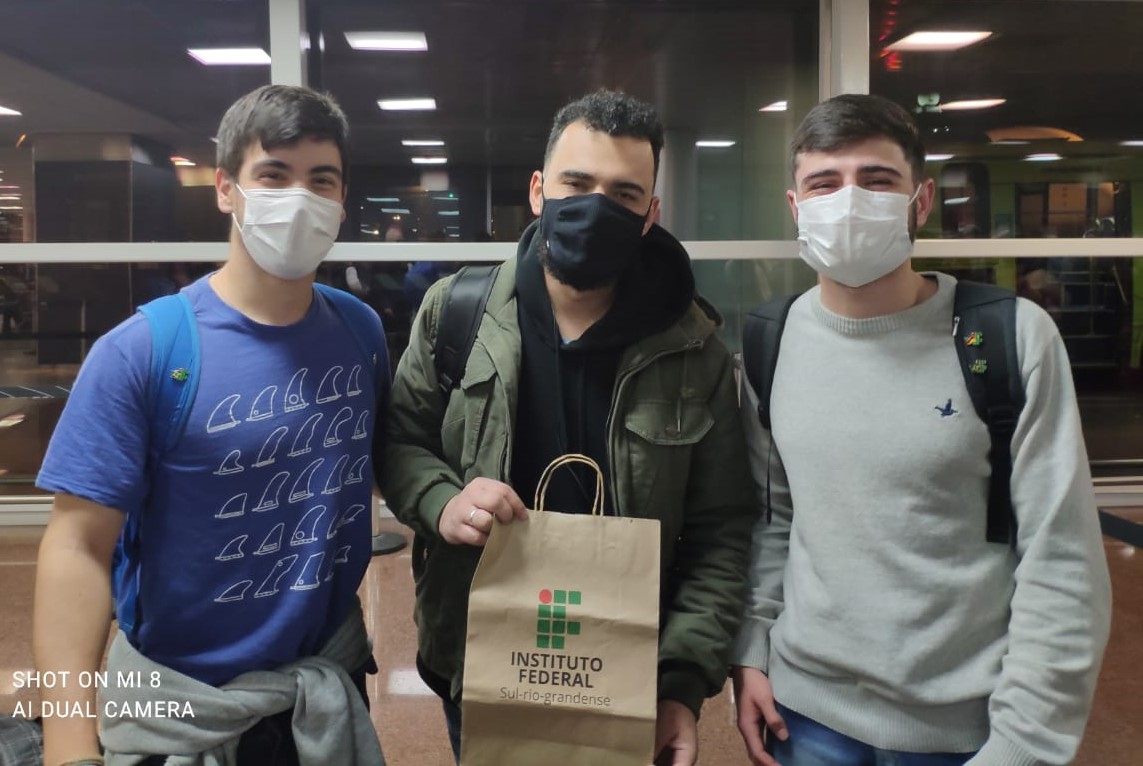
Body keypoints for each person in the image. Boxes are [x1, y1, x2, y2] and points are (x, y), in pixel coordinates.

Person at [731, 93, 1112, 766]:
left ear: (921, 200)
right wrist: (752, 653)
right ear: (795, 206)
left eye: (877, 180)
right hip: (805, 717)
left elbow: (1061, 558)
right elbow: (772, 519)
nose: (849, 201)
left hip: (967, 733)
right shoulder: (772, 339)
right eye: (824, 183)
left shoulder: (1010, 337)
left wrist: (1024, 743)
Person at [379, 89, 755, 765]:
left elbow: (720, 530)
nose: (595, 208)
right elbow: (402, 440)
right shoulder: (457, 313)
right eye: (576, 185)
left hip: (632, 672)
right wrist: (444, 501)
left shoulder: (691, 348)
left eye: (623, 194)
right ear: (538, 191)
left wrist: (680, 682)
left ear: (650, 215)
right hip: (480, 657)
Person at [33, 84, 388, 765]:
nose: (299, 198)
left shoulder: (358, 331)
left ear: (342, 200)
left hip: (324, 692)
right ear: (227, 188)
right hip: (182, 712)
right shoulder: (144, 351)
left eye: (321, 180)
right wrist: (69, 743)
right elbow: (76, 546)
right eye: (273, 175)